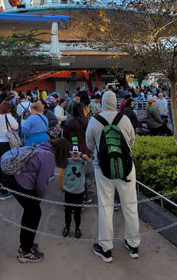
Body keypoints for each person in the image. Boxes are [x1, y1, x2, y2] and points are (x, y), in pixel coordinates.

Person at [86, 91, 140, 263]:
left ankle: (106, 248)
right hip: (126, 168)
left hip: (102, 169)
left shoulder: (94, 120)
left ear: (102, 103)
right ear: (116, 102)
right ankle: (133, 246)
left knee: (105, 206)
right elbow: (131, 141)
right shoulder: (124, 119)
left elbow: (89, 144)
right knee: (130, 206)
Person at [5, 137, 69, 263]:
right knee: (34, 213)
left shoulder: (43, 146)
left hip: (13, 177)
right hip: (19, 182)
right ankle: (25, 251)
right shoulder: (49, 158)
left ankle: (26, 244)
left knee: (31, 212)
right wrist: (39, 198)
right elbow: (41, 184)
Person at [59, 144, 89, 238]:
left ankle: (77, 228)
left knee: (77, 213)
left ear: (80, 154)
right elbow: (57, 161)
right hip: (68, 191)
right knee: (67, 212)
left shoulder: (83, 163)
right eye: (73, 153)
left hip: (79, 192)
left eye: (77, 153)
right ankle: (67, 227)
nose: (75, 154)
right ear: (70, 153)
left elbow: (91, 170)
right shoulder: (66, 162)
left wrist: (87, 160)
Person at [0, 101, 19, 200]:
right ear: (8, 109)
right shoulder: (8, 116)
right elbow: (16, 126)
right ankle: (4, 191)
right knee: (6, 167)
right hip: (5, 143)